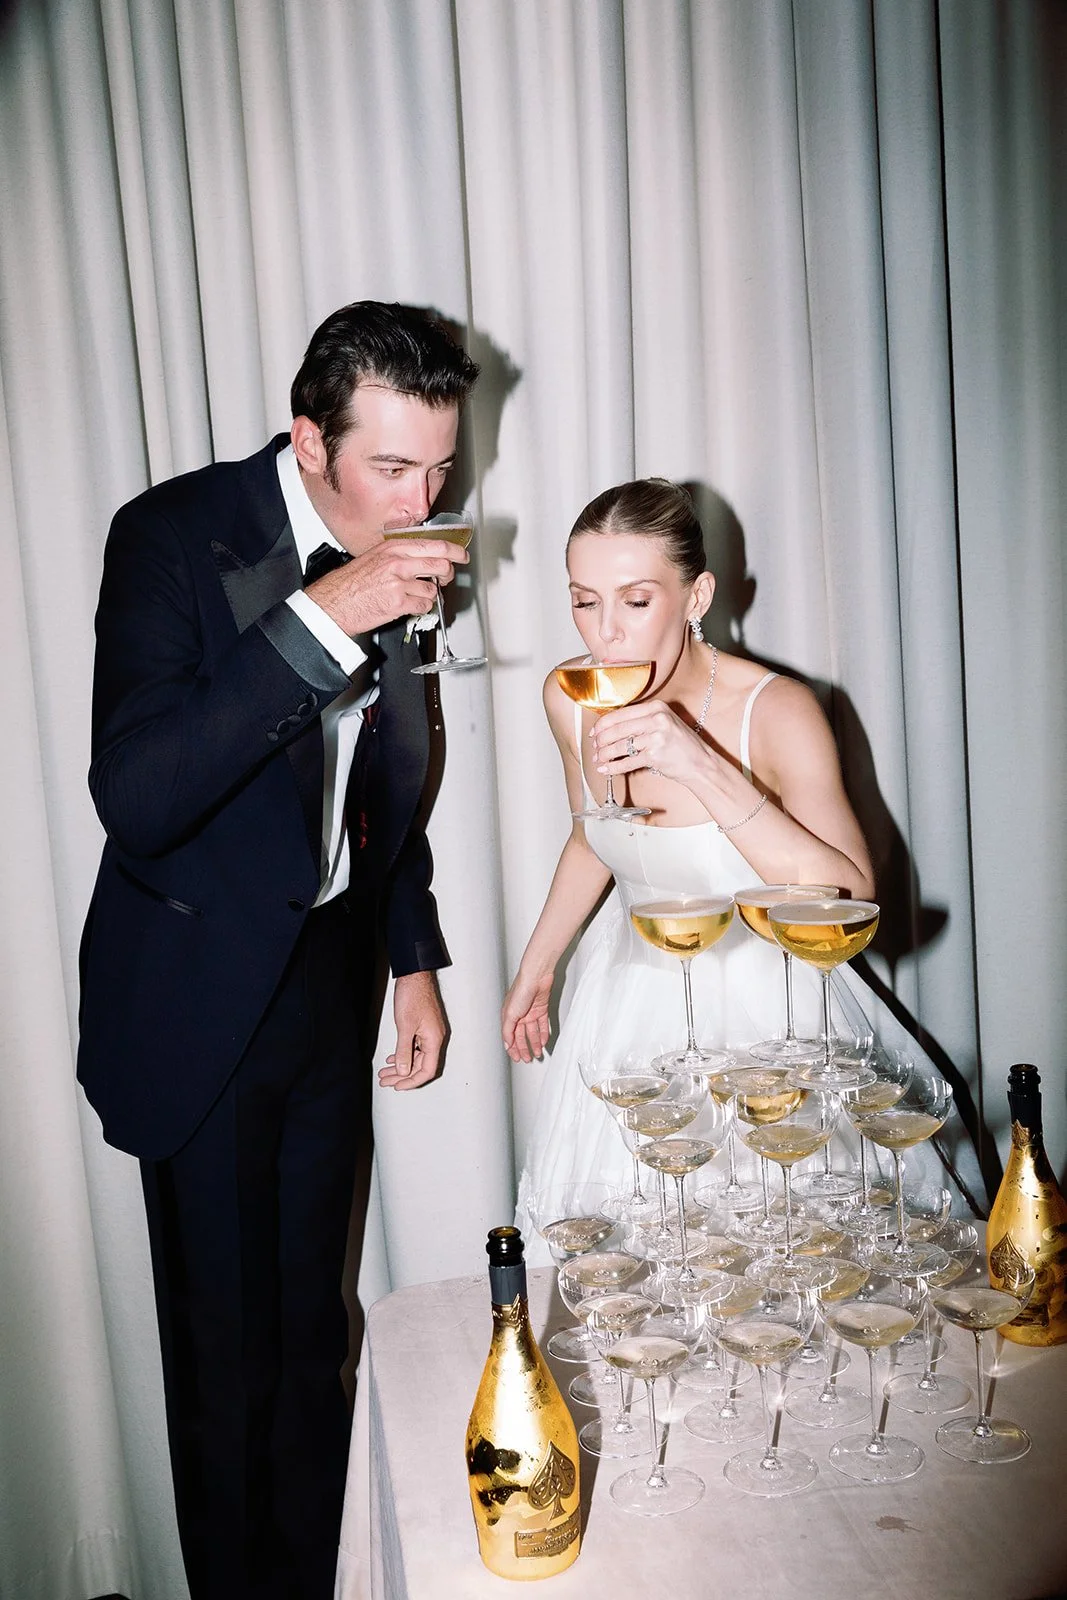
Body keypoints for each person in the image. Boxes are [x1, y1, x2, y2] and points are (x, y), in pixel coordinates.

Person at [77, 301, 479, 1600]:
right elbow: (138, 793)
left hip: (328, 978)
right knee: (226, 1363)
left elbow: (381, 777)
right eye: (391, 468)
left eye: (440, 469)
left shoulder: (398, 538)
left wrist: (408, 951)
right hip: (196, 1004)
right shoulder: (170, 536)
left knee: (315, 1341)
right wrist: (322, 620)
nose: (422, 499)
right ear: (309, 439)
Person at [501, 478, 949, 1248]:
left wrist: (699, 765)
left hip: (772, 1019)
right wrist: (537, 966)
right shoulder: (571, 695)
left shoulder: (775, 709)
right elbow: (593, 835)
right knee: (637, 1272)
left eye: (635, 601)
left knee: (794, 1262)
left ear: (696, 595)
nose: (604, 634)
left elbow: (852, 896)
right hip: (631, 1012)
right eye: (583, 601)